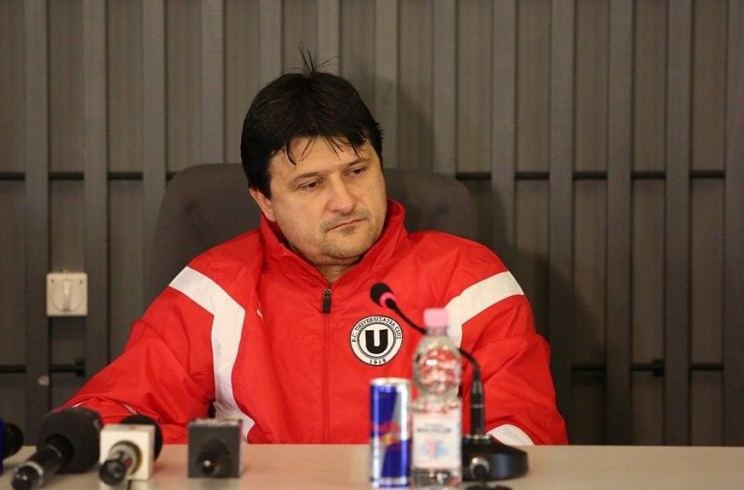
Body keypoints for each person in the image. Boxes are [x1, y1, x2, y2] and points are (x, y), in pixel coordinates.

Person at [65, 59, 568, 445]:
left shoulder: (470, 281)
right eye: (311, 184)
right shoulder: (213, 291)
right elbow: (104, 416)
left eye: (357, 170)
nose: (345, 201)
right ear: (264, 200)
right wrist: (230, 461)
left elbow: (525, 431)